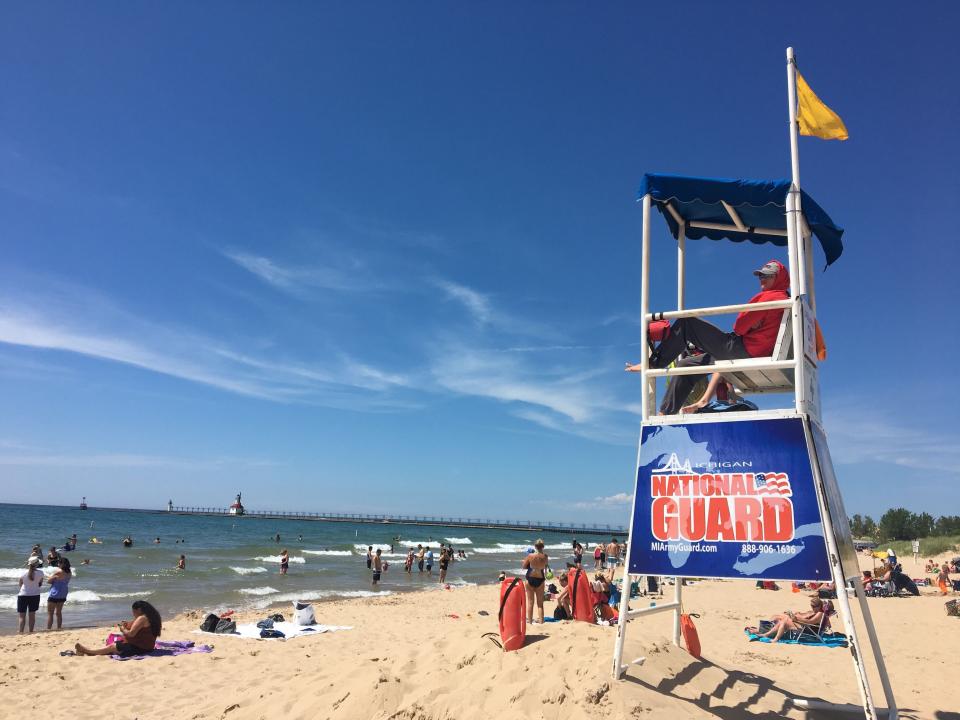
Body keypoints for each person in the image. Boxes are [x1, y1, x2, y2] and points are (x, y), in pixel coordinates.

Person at [626, 260, 790, 415]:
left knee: (686, 323)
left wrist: (749, 326)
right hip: (751, 352)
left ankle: (653, 363)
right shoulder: (784, 298)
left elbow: (739, 326)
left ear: (779, 278)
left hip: (742, 350)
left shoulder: (770, 297)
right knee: (686, 365)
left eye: (767, 275)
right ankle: (664, 414)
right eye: (760, 275)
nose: (762, 279)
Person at [75, 600, 161, 657]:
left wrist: (122, 629)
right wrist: (127, 624)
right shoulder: (150, 616)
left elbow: (131, 634)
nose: (133, 614)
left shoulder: (142, 618)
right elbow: (138, 627)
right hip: (147, 646)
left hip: (141, 648)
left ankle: (88, 651)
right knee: (116, 644)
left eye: (134, 611)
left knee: (113, 646)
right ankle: (88, 651)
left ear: (139, 610)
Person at [749, 595, 826, 642]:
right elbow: (808, 617)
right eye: (811, 606)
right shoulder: (817, 612)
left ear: (819, 606)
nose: (812, 607)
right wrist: (796, 616)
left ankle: (773, 638)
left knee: (784, 621)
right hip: (805, 626)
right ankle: (765, 633)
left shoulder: (820, 613)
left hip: (808, 630)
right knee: (778, 617)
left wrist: (796, 618)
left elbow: (810, 622)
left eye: (813, 606)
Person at [523, 540, 549, 624]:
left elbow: (524, 566)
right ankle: (541, 622)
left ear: (535, 546)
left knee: (530, 602)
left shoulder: (530, 556)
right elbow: (545, 567)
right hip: (540, 579)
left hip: (530, 578)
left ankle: (530, 622)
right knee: (540, 604)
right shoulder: (545, 556)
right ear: (543, 547)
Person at [17, 557, 44, 633]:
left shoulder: (23, 573)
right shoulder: (41, 573)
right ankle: (31, 632)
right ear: (37, 564)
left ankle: (21, 632)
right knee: (32, 616)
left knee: (22, 616)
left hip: (23, 595)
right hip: (35, 595)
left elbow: (20, 584)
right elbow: (40, 584)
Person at [46, 557, 72, 630]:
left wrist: (52, 577)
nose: (58, 564)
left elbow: (48, 581)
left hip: (55, 593)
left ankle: (48, 629)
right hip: (63, 593)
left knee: (50, 613)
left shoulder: (59, 572)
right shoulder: (69, 572)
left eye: (59, 563)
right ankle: (59, 627)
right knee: (59, 613)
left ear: (61, 564)